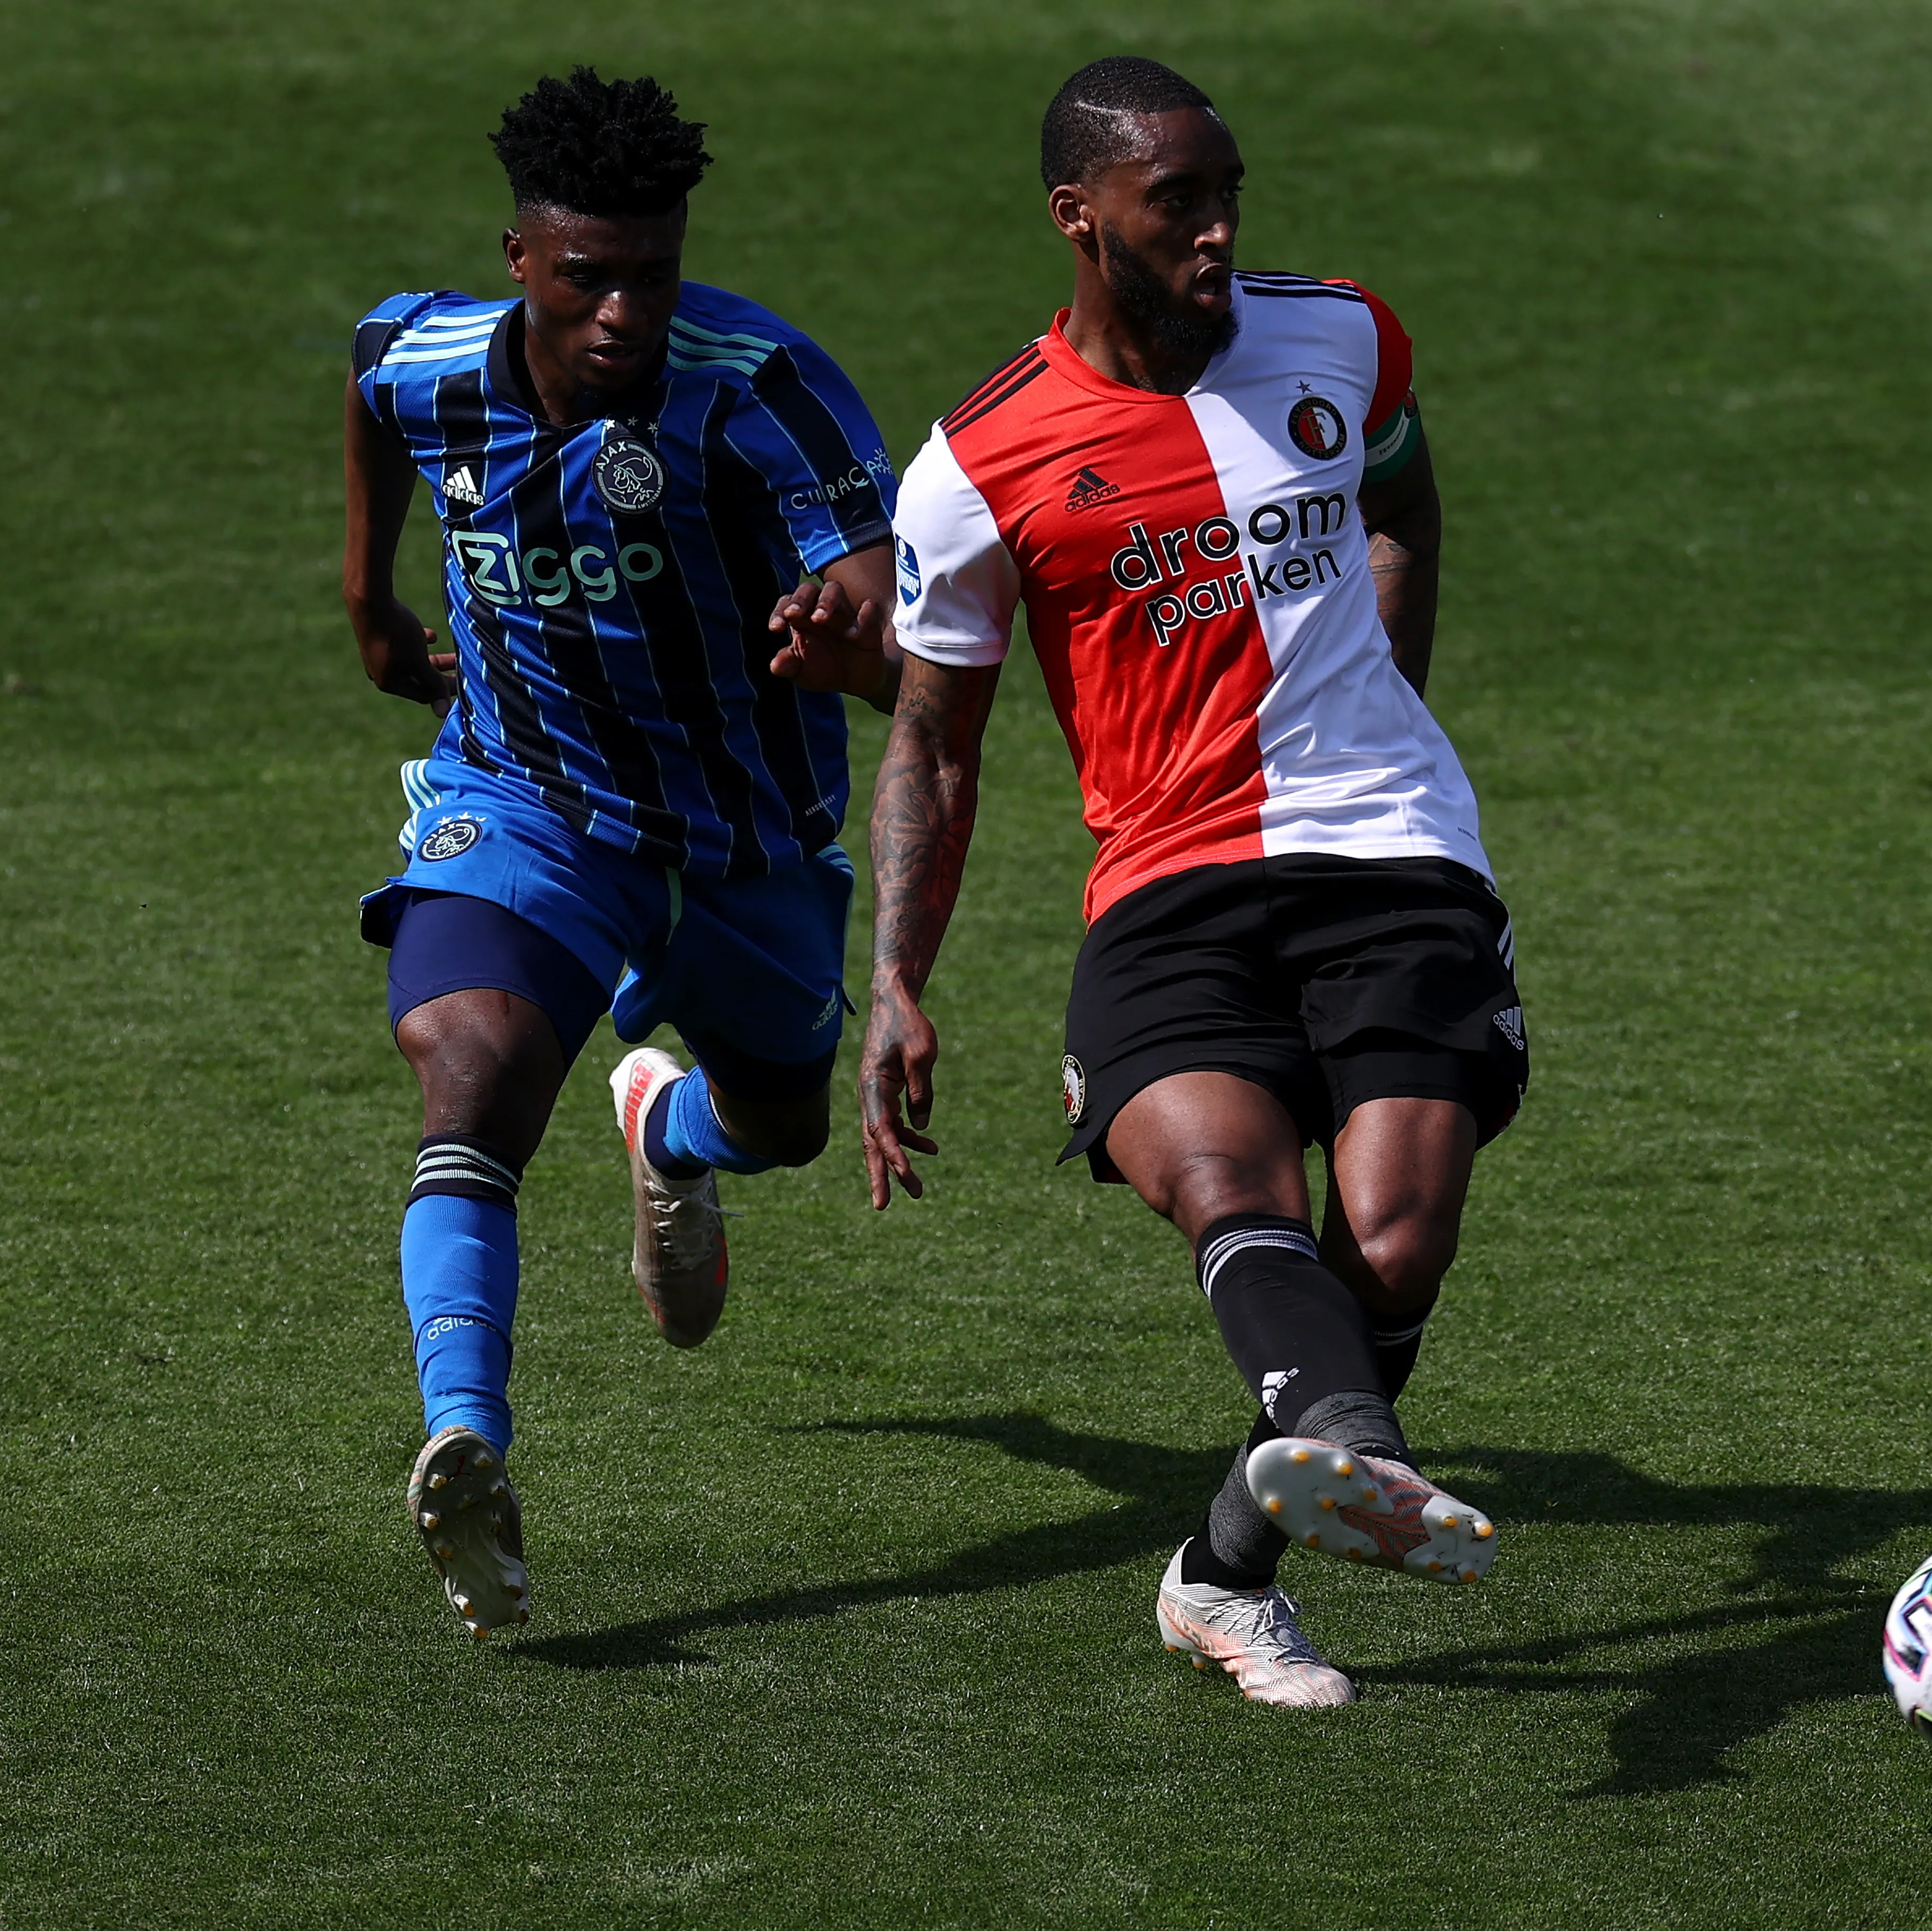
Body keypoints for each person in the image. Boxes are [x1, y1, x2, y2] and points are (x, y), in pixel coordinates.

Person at [834, 56, 1528, 1708]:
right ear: (1082, 219)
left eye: (1231, 199)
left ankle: (1227, 1561)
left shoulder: (1343, 337)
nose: (1219, 233)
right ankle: (1350, 1443)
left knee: (1400, 1239)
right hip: (1168, 882)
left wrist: (1387, 706)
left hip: (1390, 850)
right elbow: (933, 738)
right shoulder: (979, 464)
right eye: (1179, 205)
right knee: (1230, 1186)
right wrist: (897, 980)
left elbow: (1406, 498)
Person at [341, 69, 903, 1637]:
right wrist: (370, 598)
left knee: (784, 1123)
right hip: (525, 803)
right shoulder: (432, 356)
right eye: (586, 277)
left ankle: (672, 1139)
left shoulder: (763, 387)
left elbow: (907, 641)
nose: (619, 312)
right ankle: (472, 1441)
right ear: (520, 257)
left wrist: (848, 645)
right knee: (472, 1069)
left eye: (648, 275)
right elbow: (371, 388)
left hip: (739, 839)